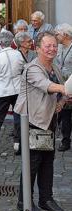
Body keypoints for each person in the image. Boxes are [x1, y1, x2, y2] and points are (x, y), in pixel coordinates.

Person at [14, 31, 65, 211]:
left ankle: (46, 199)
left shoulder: (54, 67)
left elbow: (58, 92)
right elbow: (47, 86)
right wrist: (66, 89)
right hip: (33, 122)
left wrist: (61, 102)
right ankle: (24, 201)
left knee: (47, 162)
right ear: (37, 49)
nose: (52, 49)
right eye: (48, 46)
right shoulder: (32, 68)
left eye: (54, 46)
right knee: (32, 163)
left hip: (48, 122)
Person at [0, 31, 22, 158]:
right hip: (17, 90)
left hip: (2, 91)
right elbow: (22, 69)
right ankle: (19, 145)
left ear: (0, 43)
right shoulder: (18, 54)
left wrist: (0, 83)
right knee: (19, 118)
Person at [12, 31, 37, 155]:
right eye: (28, 41)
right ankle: (18, 141)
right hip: (19, 89)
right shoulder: (15, 55)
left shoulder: (33, 54)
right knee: (19, 116)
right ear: (21, 43)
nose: (31, 43)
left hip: (33, 88)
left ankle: (29, 141)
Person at [55, 23, 72, 152]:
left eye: (57, 34)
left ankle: (66, 140)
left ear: (65, 35)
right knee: (64, 114)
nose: (56, 36)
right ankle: (65, 140)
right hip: (61, 85)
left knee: (67, 113)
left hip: (70, 85)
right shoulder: (59, 48)